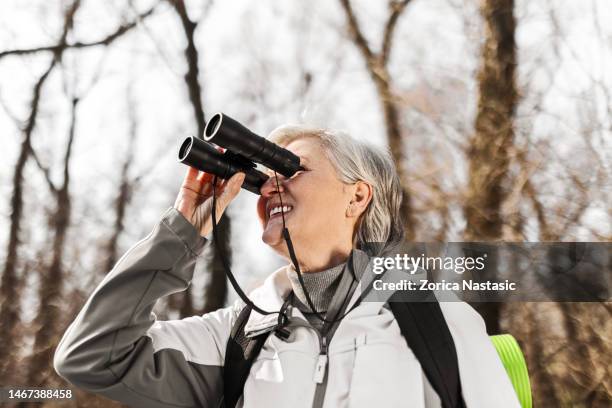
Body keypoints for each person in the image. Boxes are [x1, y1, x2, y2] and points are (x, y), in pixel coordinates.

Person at [54, 126, 520, 407]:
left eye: (291, 170)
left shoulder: (438, 321)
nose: (270, 188)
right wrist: (182, 231)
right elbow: (90, 356)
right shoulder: (238, 336)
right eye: (263, 180)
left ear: (357, 196)